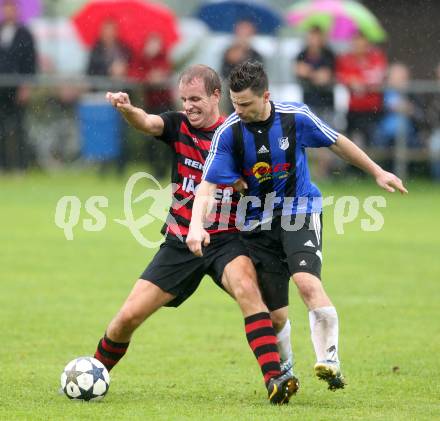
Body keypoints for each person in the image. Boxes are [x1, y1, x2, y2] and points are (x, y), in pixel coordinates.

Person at [187, 61, 408, 391]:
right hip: (256, 225)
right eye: (235, 104)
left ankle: (329, 360)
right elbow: (207, 185)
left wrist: (377, 171)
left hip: (299, 211)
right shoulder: (229, 132)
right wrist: (195, 225)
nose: (239, 110)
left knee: (306, 282)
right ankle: (286, 368)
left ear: (266, 96)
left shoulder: (295, 117)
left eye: (246, 104)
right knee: (274, 316)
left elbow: (336, 141)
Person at [95, 64, 297, 404]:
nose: (188, 106)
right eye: (184, 98)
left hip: (229, 240)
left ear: (216, 96)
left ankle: (275, 380)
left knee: (249, 292)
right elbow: (147, 123)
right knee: (126, 318)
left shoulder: (237, 133)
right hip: (179, 240)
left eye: (196, 99)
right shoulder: (178, 125)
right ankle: (93, 372)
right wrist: (128, 109)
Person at [294, 26, 337, 178]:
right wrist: (315, 74)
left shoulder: (329, 54)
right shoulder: (301, 53)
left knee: (326, 138)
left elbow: (324, 78)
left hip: (326, 103)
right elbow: (298, 72)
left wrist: (309, 72)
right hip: (309, 103)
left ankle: (324, 172)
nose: (313, 40)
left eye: (316, 36)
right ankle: (312, 173)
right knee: (308, 139)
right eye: (311, 36)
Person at [0, 0, 36, 172]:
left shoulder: (25, 33)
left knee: (19, 127)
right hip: (1, 87)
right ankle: (4, 166)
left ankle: (21, 166)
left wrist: (26, 86)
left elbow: (30, 62)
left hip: (16, 87)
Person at [336, 31, 387, 148]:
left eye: (361, 41)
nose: (359, 45)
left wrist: (359, 80)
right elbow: (341, 77)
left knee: (373, 141)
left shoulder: (376, 57)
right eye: (356, 41)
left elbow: (377, 77)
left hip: (373, 109)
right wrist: (351, 80)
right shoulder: (346, 59)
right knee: (350, 142)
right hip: (354, 109)